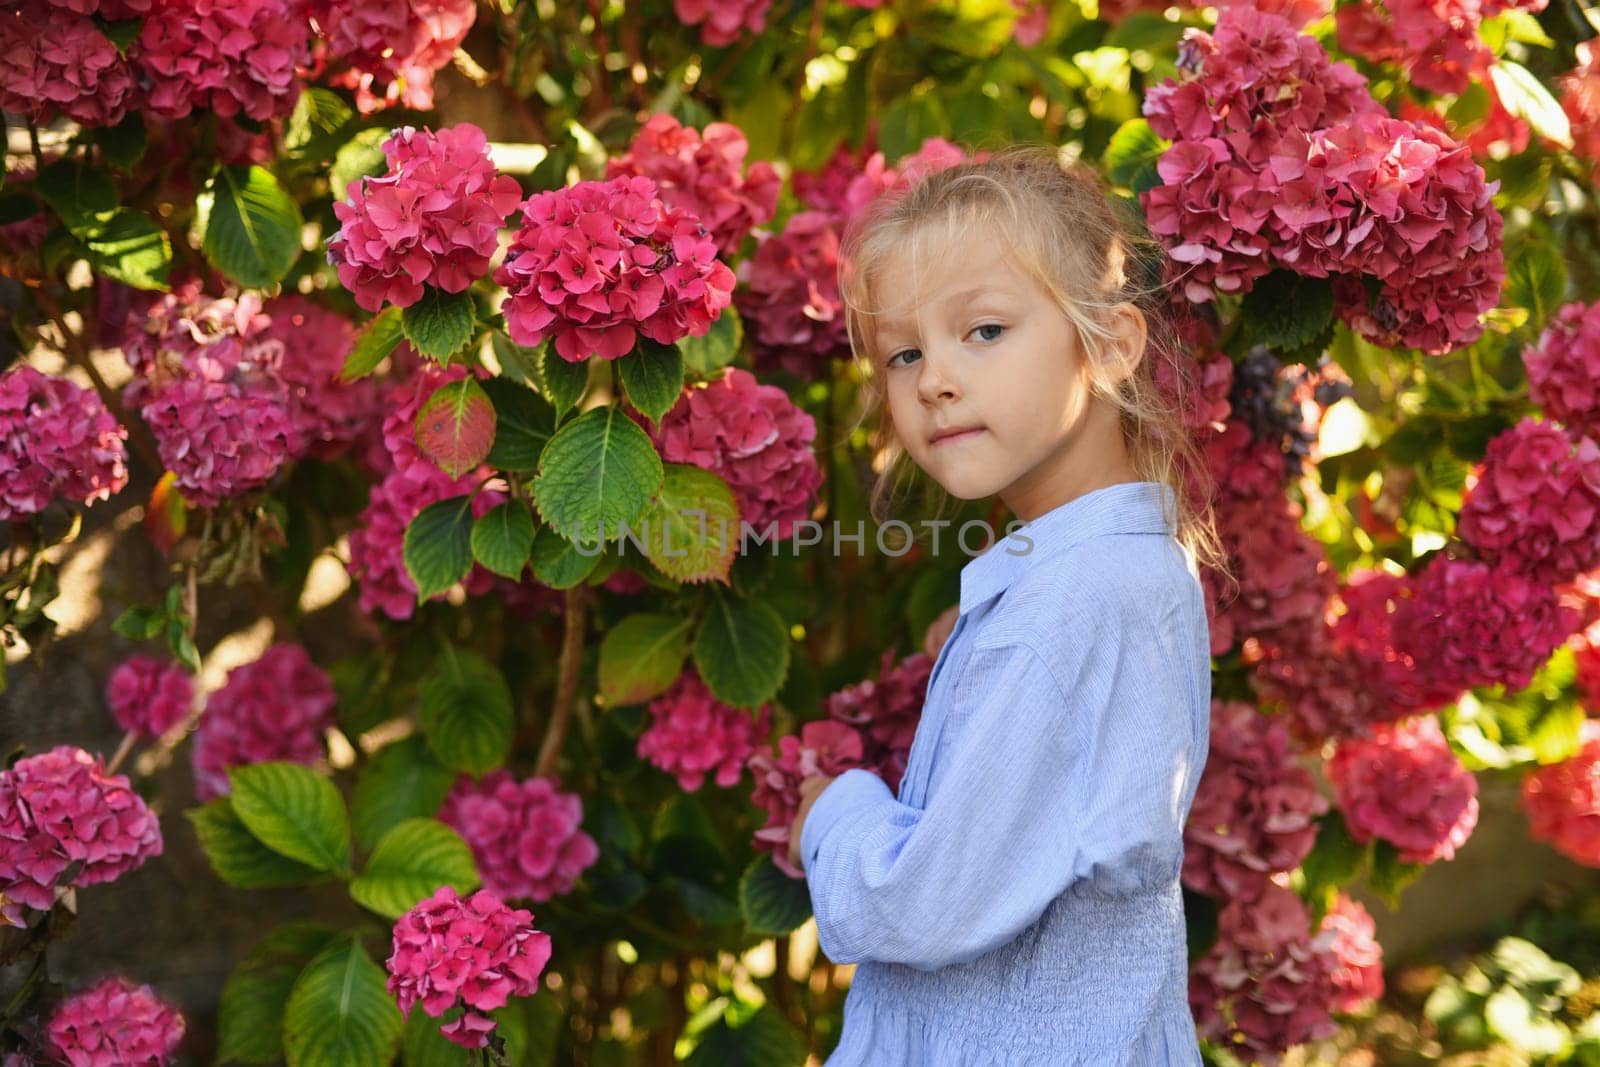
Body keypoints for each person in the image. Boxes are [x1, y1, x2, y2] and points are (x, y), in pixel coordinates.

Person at [784, 145, 1229, 1065]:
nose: (934, 379)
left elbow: (919, 902)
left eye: (983, 330)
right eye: (905, 352)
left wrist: (834, 811)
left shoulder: (1067, 611)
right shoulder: (1111, 573)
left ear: (1107, 344)